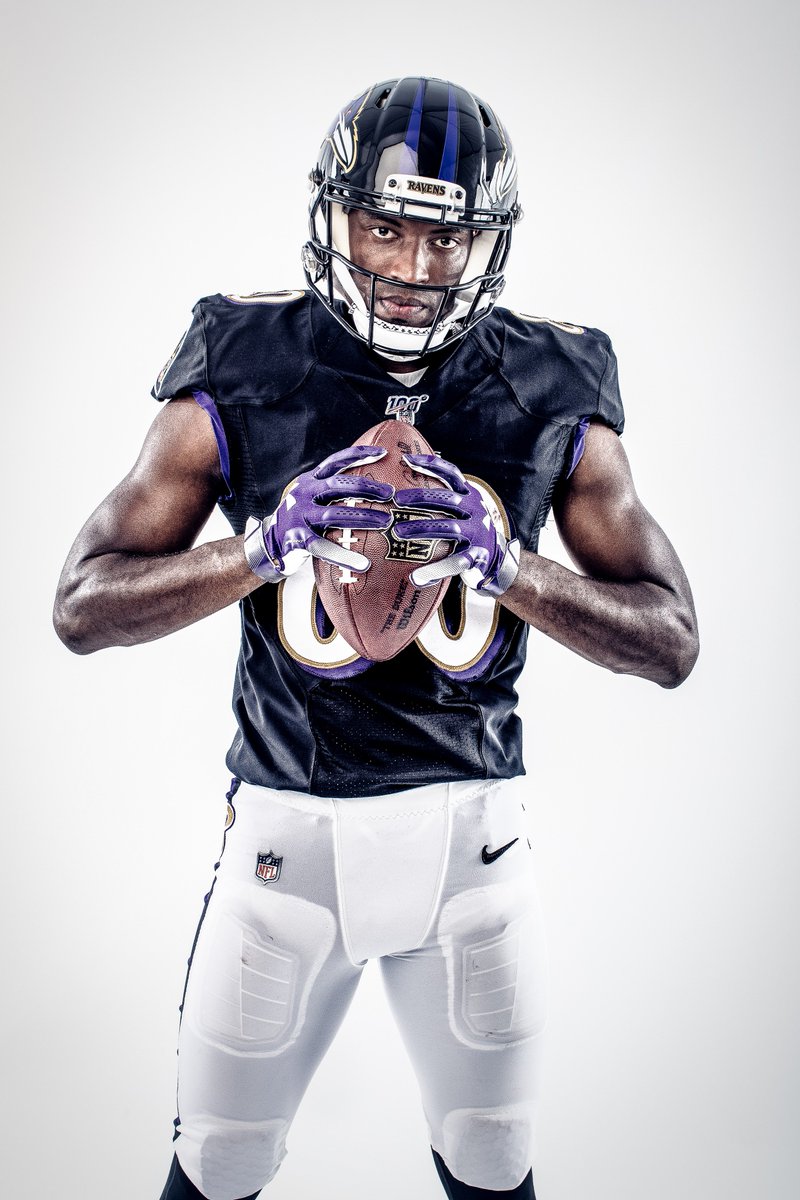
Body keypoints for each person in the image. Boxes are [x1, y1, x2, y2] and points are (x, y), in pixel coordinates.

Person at [53, 76, 698, 1200]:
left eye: (442, 239)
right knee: (218, 1164)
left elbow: (671, 638)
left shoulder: (550, 380)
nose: (407, 267)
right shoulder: (246, 358)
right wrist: (258, 548)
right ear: (335, 218)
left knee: (493, 1168)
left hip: (471, 857)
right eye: (383, 226)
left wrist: (513, 569)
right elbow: (81, 605)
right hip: (282, 851)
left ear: (484, 245)